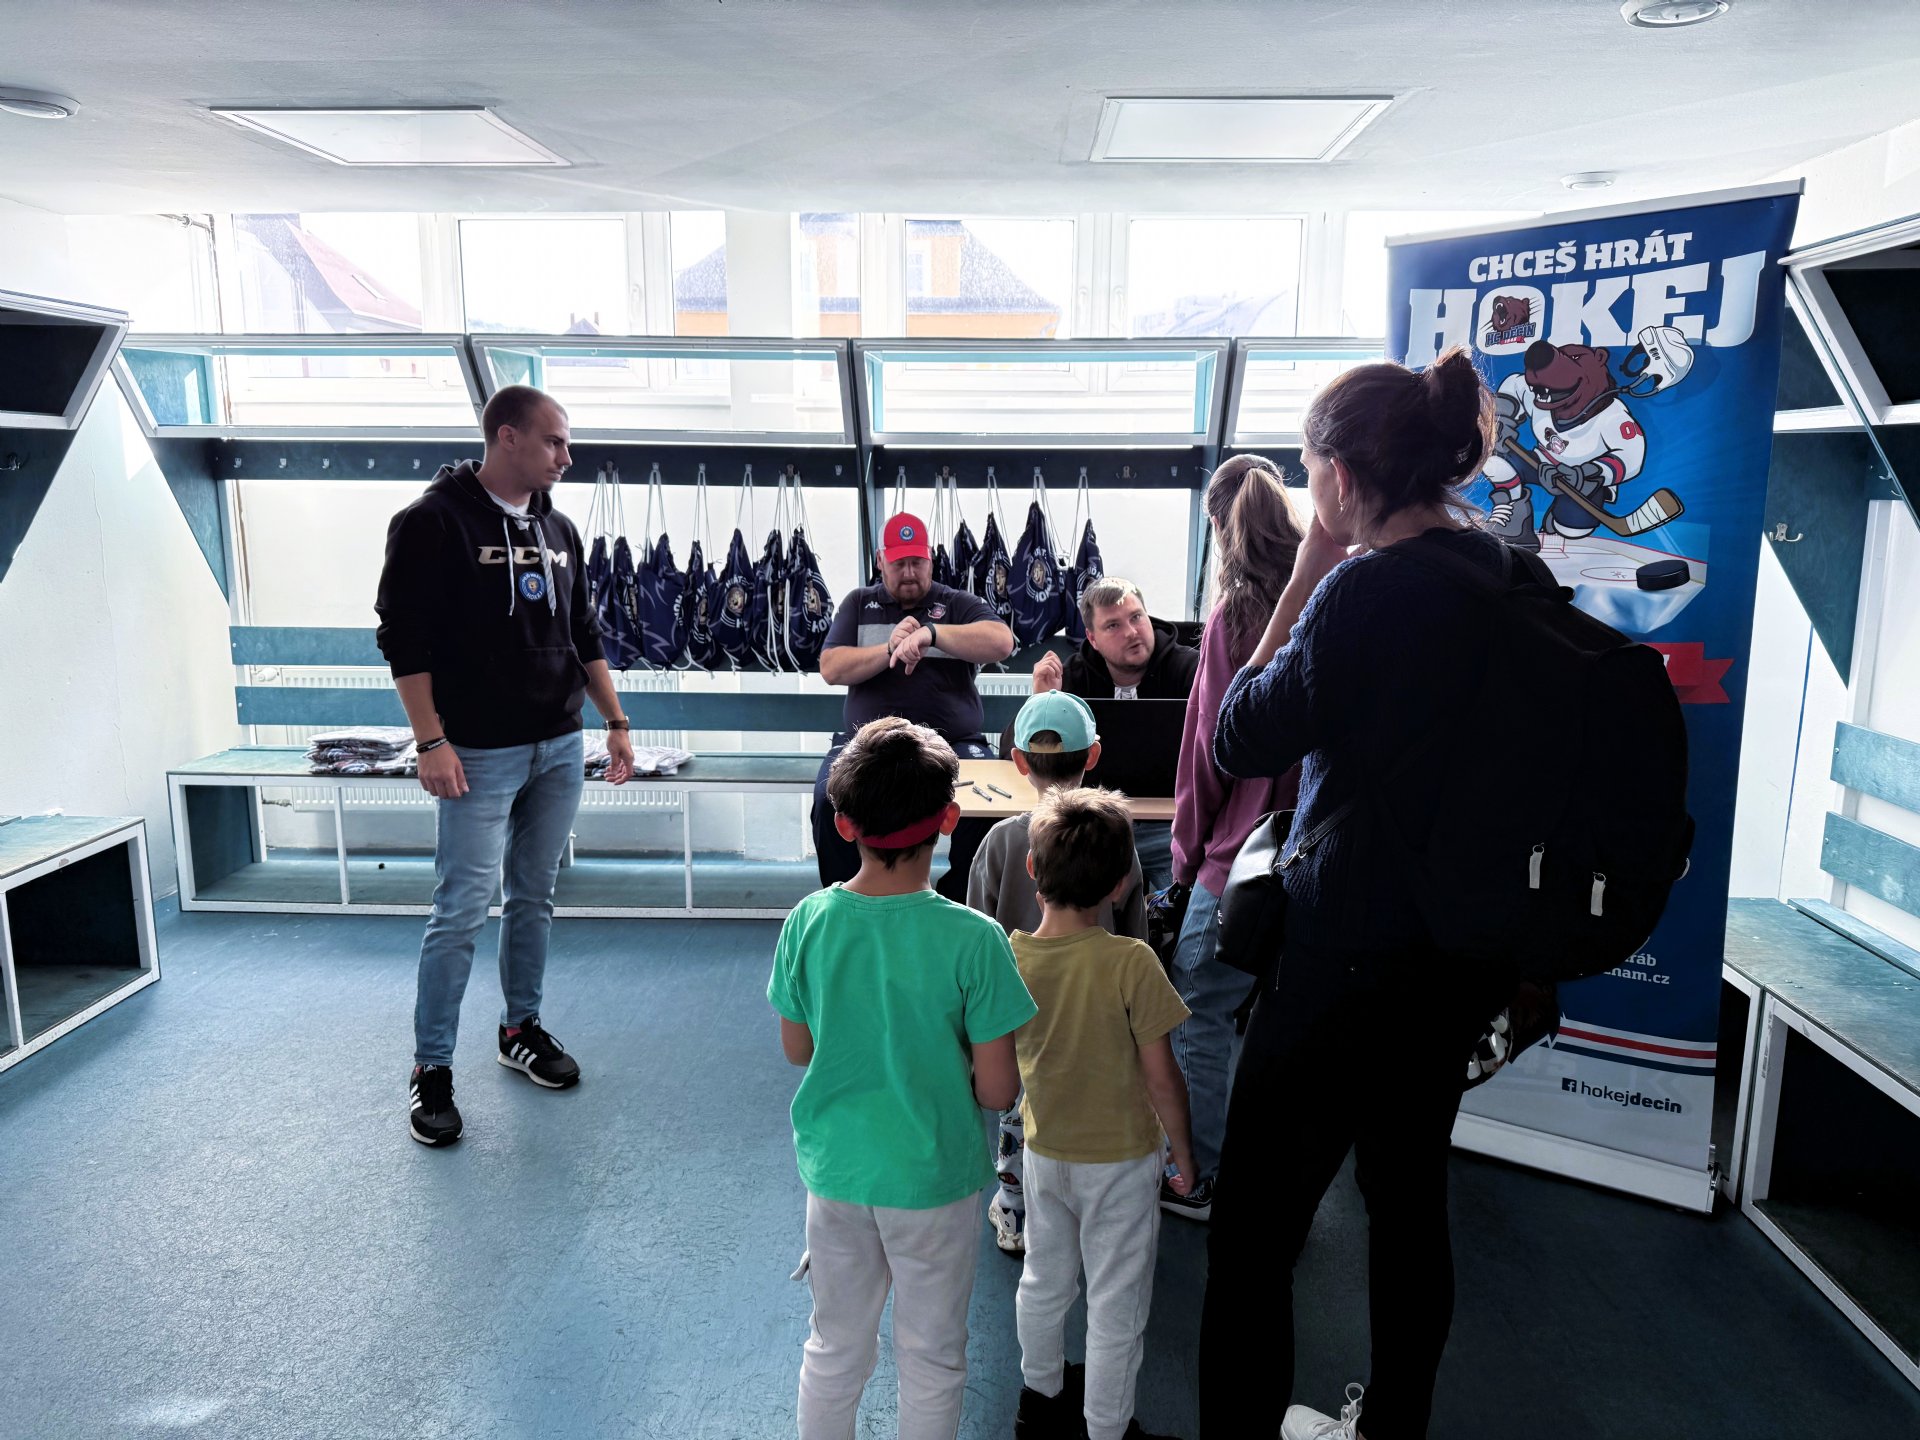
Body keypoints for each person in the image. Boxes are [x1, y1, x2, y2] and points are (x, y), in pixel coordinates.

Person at [1198, 348, 1518, 1440]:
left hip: (1341, 960)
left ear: (1339, 478)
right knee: (1408, 1206)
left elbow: (1240, 734)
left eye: (1308, 470)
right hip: (1457, 959)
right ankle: (1393, 1427)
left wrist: (1308, 570)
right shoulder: (1504, 575)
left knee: (1254, 1234)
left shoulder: (1359, 593)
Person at [374, 384, 636, 1148]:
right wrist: (431, 741)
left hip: (558, 744)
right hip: (478, 754)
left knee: (534, 897)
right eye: (554, 441)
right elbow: (403, 639)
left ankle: (520, 1028)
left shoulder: (558, 528)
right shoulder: (432, 521)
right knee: (460, 910)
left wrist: (615, 723)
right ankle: (431, 1069)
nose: (567, 456)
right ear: (507, 436)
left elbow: (583, 633)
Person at [768, 717, 1036, 1439]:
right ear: (950, 818)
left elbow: (798, 1049)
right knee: (932, 1356)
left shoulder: (807, 921)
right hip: (933, 1180)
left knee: (834, 1348)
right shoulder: (976, 940)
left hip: (837, 1174)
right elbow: (998, 1092)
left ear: (844, 824)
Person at [1010, 787, 1195, 1440]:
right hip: (1120, 1161)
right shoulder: (1130, 962)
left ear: (1032, 869)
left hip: (1044, 1153)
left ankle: (1039, 1403)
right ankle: (1106, 1431)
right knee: (1116, 1303)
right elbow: (1162, 1076)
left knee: (1043, 1281)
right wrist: (1184, 1153)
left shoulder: (1012, 957)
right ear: (1120, 885)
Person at [1160, 456, 1304, 1222]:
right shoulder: (1334, 593)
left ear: (1220, 526)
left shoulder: (1236, 618)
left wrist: (1185, 862)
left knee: (1198, 1005)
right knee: (1286, 1020)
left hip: (1240, 854)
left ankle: (1200, 1176)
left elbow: (1209, 754)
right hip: (1321, 849)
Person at [967, 690, 1148, 1259]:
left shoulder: (1000, 841)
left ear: (1018, 761)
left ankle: (1016, 1214)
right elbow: (1135, 933)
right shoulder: (1118, 841)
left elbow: (977, 935)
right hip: (1095, 1012)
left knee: (1019, 1117)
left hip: (1017, 1015)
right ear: (1093, 755)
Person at [814, 512, 1016, 899]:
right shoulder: (859, 603)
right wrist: (889, 647)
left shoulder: (956, 603)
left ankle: (958, 902)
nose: (909, 573)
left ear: (930, 560)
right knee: (829, 801)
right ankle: (847, 902)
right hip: (867, 744)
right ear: (880, 561)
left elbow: (1001, 642)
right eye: (899, 563)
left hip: (953, 742)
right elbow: (831, 667)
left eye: (917, 562)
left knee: (988, 806)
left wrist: (931, 634)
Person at [1029, 577, 1199, 892]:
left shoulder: (1189, 669)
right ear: (1092, 638)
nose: (1131, 632)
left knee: (1179, 903)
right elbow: (1016, 749)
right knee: (1082, 903)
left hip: (1171, 828)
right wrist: (1043, 702)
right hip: (1093, 827)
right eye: (1113, 626)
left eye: (1136, 617)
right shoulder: (1074, 676)